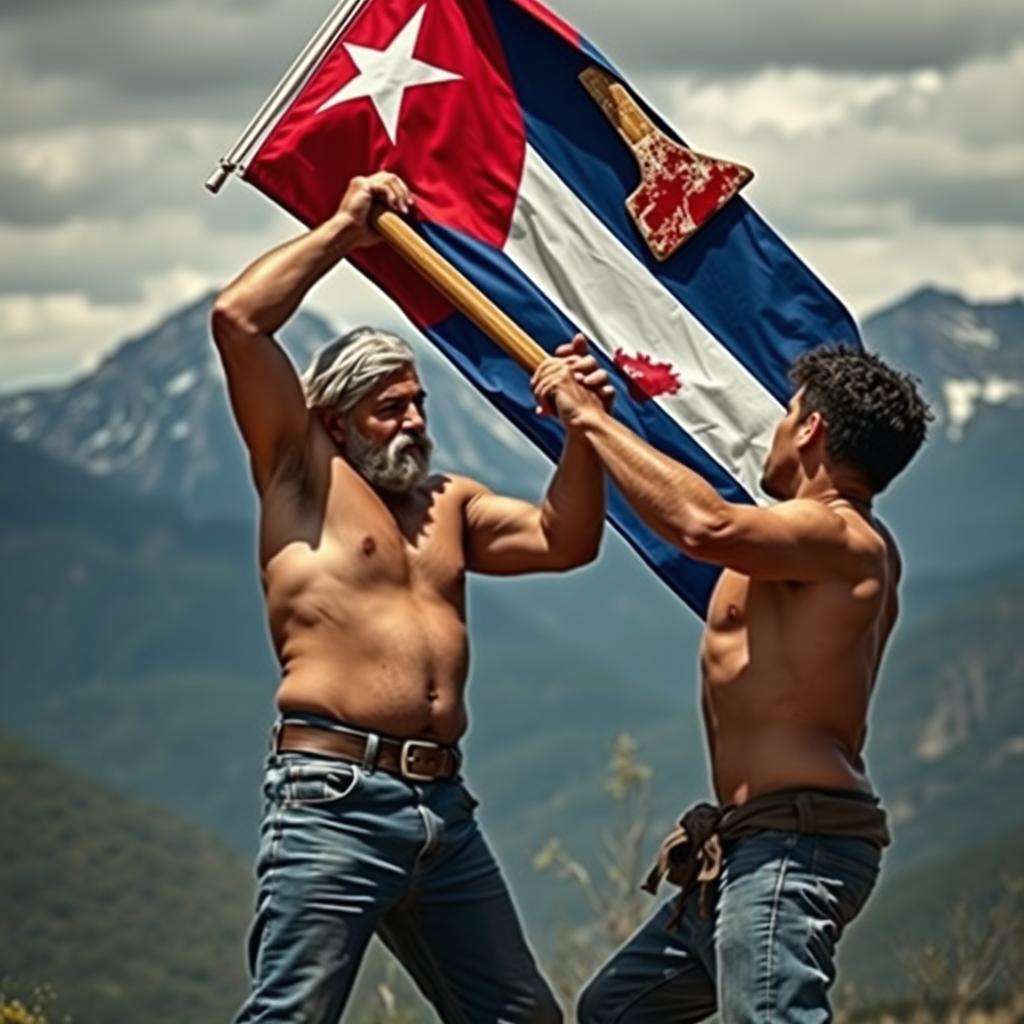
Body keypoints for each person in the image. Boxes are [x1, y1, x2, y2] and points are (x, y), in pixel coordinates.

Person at [211, 171, 612, 1024]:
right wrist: (345, 227)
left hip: (443, 808)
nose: (413, 421)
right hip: (333, 797)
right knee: (291, 1015)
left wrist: (584, 431)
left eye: (419, 404)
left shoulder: (450, 504)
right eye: (390, 408)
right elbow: (238, 321)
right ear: (336, 420)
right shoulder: (300, 475)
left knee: (522, 1018)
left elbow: (566, 540)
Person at [530, 345, 932, 1024]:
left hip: (793, 846)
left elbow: (702, 523)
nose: (775, 426)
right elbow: (698, 512)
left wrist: (591, 420)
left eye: (787, 412)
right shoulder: (800, 542)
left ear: (811, 430)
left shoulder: (843, 536)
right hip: (751, 844)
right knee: (617, 1011)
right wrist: (592, 419)